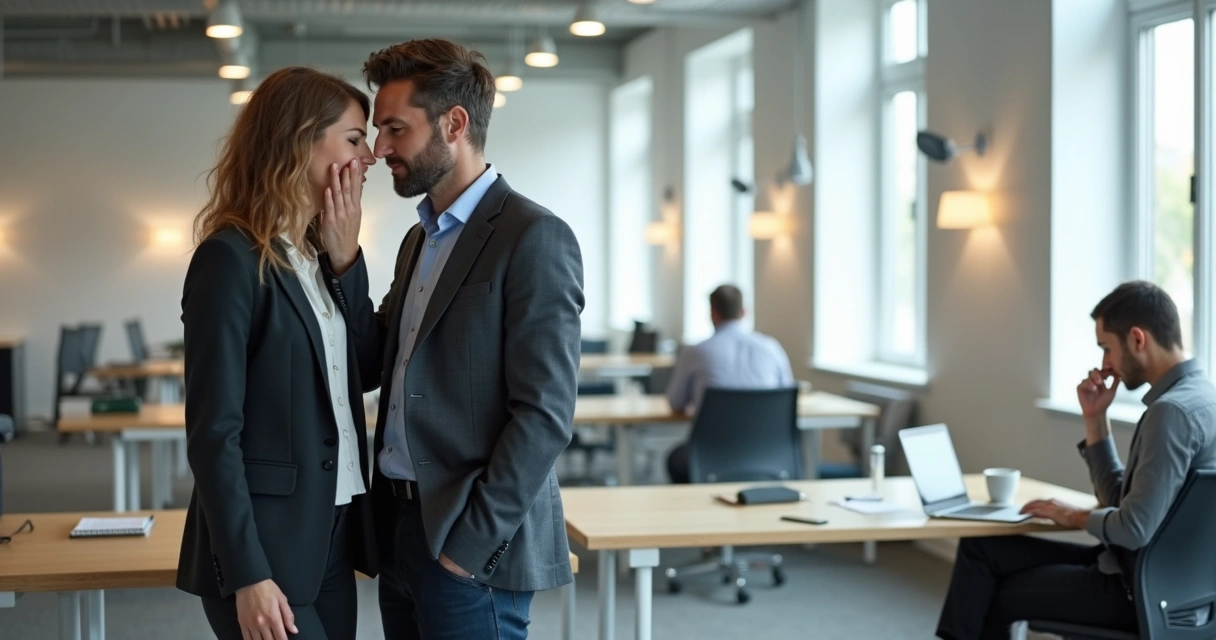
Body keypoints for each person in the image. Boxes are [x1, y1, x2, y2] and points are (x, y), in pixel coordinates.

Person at [330, 39, 583, 639]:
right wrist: (343, 261)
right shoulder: (419, 240)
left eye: (395, 129)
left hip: (467, 543)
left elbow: (544, 415)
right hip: (398, 526)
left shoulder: (534, 236)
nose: (380, 148)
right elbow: (370, 365)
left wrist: (469, 547)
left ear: (455, 123)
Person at [176, 66, 380, 640]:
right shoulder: (229, 259)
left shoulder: (319, 258)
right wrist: (247, 574)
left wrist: (347, 260)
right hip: (264, 546)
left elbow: (365, 369)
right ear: (300, 139)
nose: (370, 159)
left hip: (332, 528)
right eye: (355, 139)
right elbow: (214, 433)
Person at [936, 280, 1216, 639]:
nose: (1104, 363)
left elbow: (1133, 529)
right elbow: (1119, 503)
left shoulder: (1171, 413)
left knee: (988, 591)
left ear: (1137, 339)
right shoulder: (1202, 398)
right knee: (982, 550)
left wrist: (1071, 515)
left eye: (1106, 348)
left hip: (1134, 592)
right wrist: (1095, 419)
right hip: (1163, 585)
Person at [665, 284, 795, 483]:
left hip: (710, 456)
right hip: (769, 455)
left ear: (712, 313)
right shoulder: (772, 348)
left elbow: (675, 402)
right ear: (744, 312)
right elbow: (784, 400)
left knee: (675, 459)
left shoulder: (696, 352)